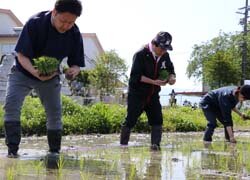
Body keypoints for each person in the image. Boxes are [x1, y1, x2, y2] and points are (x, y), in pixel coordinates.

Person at [4, 0, 85, 158]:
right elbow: (21, 55)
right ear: (54, 12)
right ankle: (12, 152)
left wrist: (73, 71)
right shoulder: (35, 23)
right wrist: (35, 73)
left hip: (51, 75)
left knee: (54, 112)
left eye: (71, 22)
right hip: (23, 71)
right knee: (11, 105)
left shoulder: (74, 33)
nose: (66, 26)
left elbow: (76, 64)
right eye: (63, 21)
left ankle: (54, 152)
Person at [120, 31, 176, 150]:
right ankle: (123, 147)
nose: (164, 51)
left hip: (153, 94)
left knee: (157, 121)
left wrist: (171, 78)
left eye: (166, 49)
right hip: (137, 94)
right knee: (130, 120)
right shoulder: (140, 54)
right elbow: (136, 76)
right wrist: (154, 81)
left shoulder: (165, 56)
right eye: (162, 48)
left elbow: (171, 70)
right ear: (154, 44)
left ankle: (155, 148)